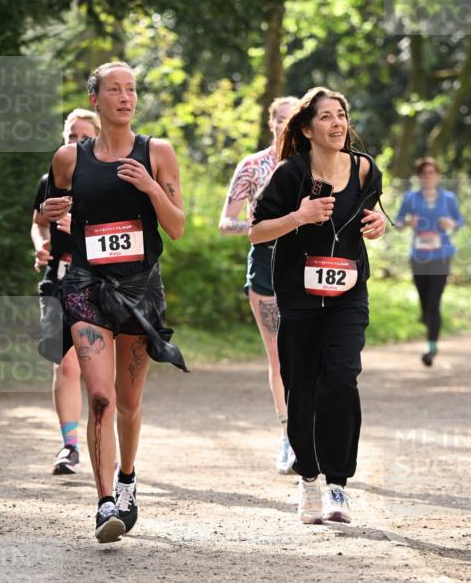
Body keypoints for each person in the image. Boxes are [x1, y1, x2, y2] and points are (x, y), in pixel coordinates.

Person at [41, 61, 188, 543]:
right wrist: (50, 212)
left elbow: (177, 227)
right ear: (95, 98)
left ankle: (127, 479)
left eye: (131, 89)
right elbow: (51, 213)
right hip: (86, 286)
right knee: (100, 397)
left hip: (139, 290)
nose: (125, 97)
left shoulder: (157, 152)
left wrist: (149, 186)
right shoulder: (69, 159)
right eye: (115, 90)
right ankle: (105, 502)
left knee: (128, 402)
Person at [250, 86, 386, 526]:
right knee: (302, 389)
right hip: (299, 297)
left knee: (341, 378)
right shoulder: (290, 174)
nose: (337, 123)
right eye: (326, 116)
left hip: (348, 293)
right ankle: (309, 479)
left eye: (341, 114)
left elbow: (368, 217)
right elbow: (257, 232)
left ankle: (337, 484)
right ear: (308, 129)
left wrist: (378, 224)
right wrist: (299, 217)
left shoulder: (364, 170)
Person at [219, 96, 299, 474]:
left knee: (310, 353)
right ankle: (288, 435)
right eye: (281, 118)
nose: (286, 124)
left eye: (293, 118)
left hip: (306, 263)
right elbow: (226, 221)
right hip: (266, 261)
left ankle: (309, 430)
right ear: (271, 123)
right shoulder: (253, 166)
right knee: (279, 356)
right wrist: (261, 227)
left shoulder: (317, 163)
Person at [32, 109, 100, 474]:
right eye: (71, 136)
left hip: (99, 282)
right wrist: (41, 245)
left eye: (84, 138)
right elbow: (39, 223)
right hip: (59, 279)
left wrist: (82, 229)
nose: (76, 143)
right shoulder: (50, 181)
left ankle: (107, 446)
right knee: (67, 362)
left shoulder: (109, 184)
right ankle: (70, 446)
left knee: (99, 369)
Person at [395, 157, 463, 367]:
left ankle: (431, 347)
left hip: (441, 255)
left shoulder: (448, 198)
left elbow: (459, 221)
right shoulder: (410, 198)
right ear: (418, 177)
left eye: (432, 172)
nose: (428, 176)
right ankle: (426, 318)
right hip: (419, 255)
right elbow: (397, 222)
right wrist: (408, 222)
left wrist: (451, 223)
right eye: (424, 173)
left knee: (434, 301)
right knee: (425, 303)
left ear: (438, 175)